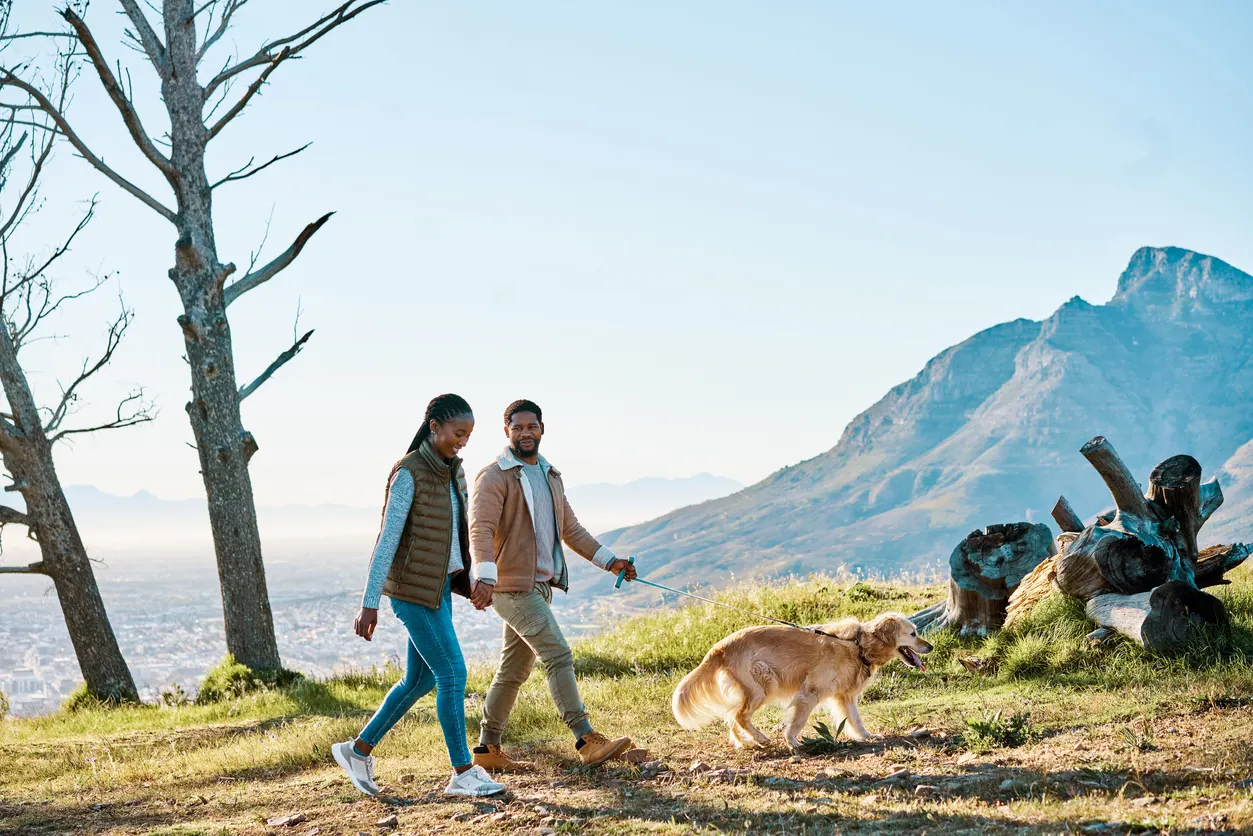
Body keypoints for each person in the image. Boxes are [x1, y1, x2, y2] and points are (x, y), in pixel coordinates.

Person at [332, 394, 506, 798]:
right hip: (412, 592)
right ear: (434, 427)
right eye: (457, 433)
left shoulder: (452, 473)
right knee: (453, 674)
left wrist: (473, 580)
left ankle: (357, 751)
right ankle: (463, 772)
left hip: (439, 589)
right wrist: (369, 602)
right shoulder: (408, 472)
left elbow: (458, 536)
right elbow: (388, 539)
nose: (462, 441)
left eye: (468, 435)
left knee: (420, 678)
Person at [467, 399, 640, 770]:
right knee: (558, 655)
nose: (525, 433)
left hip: (539, 587)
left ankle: (487, 750)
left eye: (532, 426)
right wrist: (484, 574)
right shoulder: (494, 476)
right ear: (506, 431)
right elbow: (480, 528)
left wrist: (611, 562)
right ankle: (585, 738)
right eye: (518, 427)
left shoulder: (550, 475)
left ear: (542, 429)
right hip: (511, 587)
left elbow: (571, 530)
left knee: (512, 671)